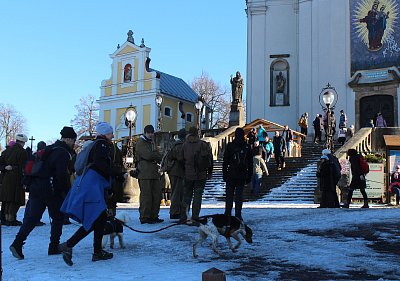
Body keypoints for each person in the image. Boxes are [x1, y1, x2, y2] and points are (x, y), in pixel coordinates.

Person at [59, 122, 126, 266]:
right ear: (105, 133)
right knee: (96, 217)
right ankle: (71, 245)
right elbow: (100, 164)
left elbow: (100, 165)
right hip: (92, 186)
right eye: (110, 133)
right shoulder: (101, 145)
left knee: (99, 218)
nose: (112, 135)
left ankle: (95, 251)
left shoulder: (98, 144)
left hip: (91, 184)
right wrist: (116, 173)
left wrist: (114, 175)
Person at [9, 127, 76, 260]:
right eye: (73, 140)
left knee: (32, 218)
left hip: (36, 187)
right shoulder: (62, 153)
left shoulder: (49, 149)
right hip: (51, 190)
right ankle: (53, 246)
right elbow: (61, 174)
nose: (74, 143)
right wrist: (66, 191)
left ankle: (17, 243)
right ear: (68, 139)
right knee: (57, 218)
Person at [179, 126, 213, 224]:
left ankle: (184, 217)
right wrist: (209, 172)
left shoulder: (185, 145)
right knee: (197, 197)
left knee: (186, 197)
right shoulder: (203, 145)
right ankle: (195, 217)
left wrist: (185, 170)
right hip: (201, 176)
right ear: (198, 133)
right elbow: (209, 160)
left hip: (188, 175)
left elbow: (181, 160)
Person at [134, 124, 163, 224]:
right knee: (146, 196)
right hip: (144, 172)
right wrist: (157, 155)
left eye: (152, 133)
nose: (150, 135)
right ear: (145, 132)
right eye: (149, 133)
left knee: (156, 195)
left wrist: (157, 155)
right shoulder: (140, 142)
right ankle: (145, 217)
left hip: (154, 172)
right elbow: (148, 155)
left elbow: (156, 154)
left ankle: (154, 215)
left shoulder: (151, 142)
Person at [223, 128, 252, 220]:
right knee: (239, 196)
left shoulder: (230, 146)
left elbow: (225, 161)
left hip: (231, 173)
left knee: (229, 195)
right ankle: (238, 215)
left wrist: (224, 173)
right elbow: (250, 162)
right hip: (242, 174)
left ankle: (227, 213)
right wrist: (249, 175)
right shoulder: (246, 146)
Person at [0, 134, 28, 226]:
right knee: (15, 199)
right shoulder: (22, 152)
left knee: (7, 199)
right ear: (23, 142)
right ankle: (11, 219)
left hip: (6, 178)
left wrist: (4, 168)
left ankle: (6, 218)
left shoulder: (6, 151)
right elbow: (24, 167)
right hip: (17, 177)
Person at [165, 128, 186, 220]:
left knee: (176, 192)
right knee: (177, 193)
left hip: (173, 171)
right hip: (178, 171)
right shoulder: (182, 145)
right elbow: (181, 159)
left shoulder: (174, 145)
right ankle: (175, 212)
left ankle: (176, 211)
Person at [0, 140, 16, 225]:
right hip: (4, 179)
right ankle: (4, 218)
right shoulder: (5, 153)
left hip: (8, 179)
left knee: (8, 199)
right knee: (6, 199)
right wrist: (5, 167)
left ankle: (7, 218)